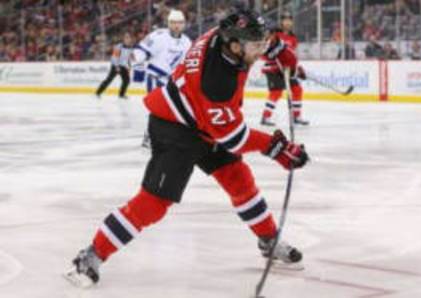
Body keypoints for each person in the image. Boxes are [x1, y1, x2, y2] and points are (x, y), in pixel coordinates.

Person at [64, 9, 309, 288]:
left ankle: (268, 240)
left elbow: (259, 41)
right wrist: (276, 148)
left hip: (203, 121)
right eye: (257, 45)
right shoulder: (217, 81)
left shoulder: (225, 37)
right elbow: (234, 138)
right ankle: (92, 255)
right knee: (154, 203)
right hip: (175, 128)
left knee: (238, 178)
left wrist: (277, 50)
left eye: (262, 43)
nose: (260, 49)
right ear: (235, 46)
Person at [260, 10, 309, 127]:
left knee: (297, 89)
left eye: (289, 20)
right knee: (276, 92)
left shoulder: (293, 38)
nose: (287, 23)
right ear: (281, 22)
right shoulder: (275, 34)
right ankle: (265, 117)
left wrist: (297, 68)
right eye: (285, 20)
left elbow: (292, 55)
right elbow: (264, 51)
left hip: (288, 69)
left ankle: (297, 116)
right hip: (273, 68)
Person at [131, 9, 191, 92]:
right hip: (155, 78)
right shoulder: (158, 35)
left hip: (173, 82)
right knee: (154, 104)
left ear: (184, 24)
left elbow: (186, 63)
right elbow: (140, 52)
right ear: (168, 23)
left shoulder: (187, 42)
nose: (177, 25)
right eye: (173, 22)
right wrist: (138, 70)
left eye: (180, 22)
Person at [95, 32, 133, 99]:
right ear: (123, 39)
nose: (128, 39)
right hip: (116, 65)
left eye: (129, 37)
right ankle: (98, 93)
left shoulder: (130, 47)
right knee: (109, 79)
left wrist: (129, 66)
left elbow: (128, 58)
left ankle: (121, 94)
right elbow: (115, 57)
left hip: (123, 66)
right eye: (126, 37)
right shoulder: (119, 46)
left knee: (126, 80)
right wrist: (116, 66)